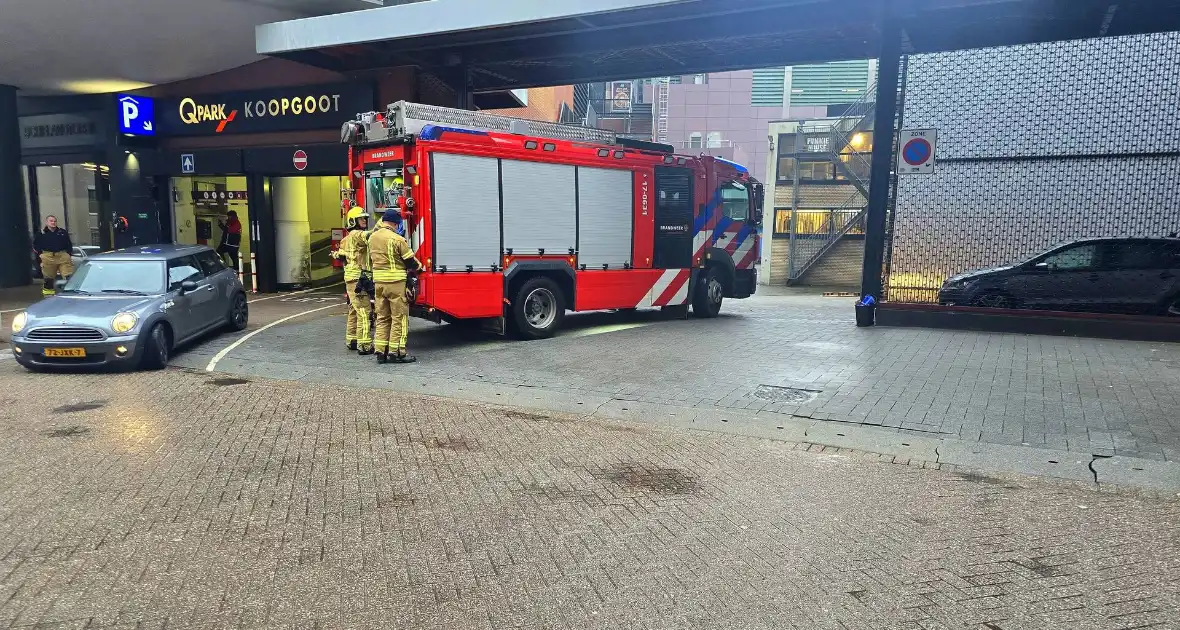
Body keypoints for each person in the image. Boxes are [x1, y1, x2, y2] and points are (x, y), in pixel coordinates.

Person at [368, 208, 420, 364]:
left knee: (382, 318)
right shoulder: (397, 239)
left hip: (379, 283)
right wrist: (420, 267)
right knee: (399, 318)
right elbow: (410, 261)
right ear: (395, 223)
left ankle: (380, 352)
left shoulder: (372, 238)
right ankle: (396, 352)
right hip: (395, 283)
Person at [332, 207, 373, 354]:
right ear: (353, 221)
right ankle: (364, 345)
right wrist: (383, 229)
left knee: (354, 311)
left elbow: (342, 256)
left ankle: (352, 340)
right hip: (358, 280)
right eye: (361, 218)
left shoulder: (345, 239)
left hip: (351, 279)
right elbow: (369, 236)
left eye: (365, 218)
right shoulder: (356, 234)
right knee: (364, 311)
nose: (364, 220)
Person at [33, 216, 73, 296]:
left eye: (54, 221)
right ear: (47, 222)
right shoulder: (41, 233)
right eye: (51, 221)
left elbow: (69, 244)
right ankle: (48, 296)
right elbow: (36, 247)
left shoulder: (62, 232)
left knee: (68, 276)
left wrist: (68, 254)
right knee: (48, 278)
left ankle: (70, 293)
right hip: (48, 256)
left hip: (62, 255)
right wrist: (40, 259)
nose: (53, 222)